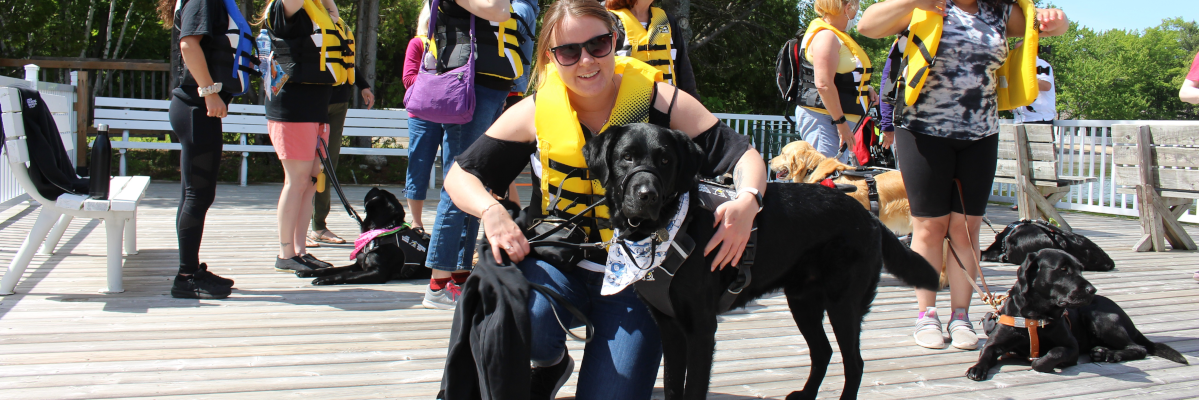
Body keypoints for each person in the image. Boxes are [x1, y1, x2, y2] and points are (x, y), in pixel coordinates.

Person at [442, 0, 767, 397]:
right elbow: (460, 176)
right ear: (551, 57)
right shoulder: (534, 112)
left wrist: (749, 201)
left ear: (615, 41)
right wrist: (491, 211)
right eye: (569, 51)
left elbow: (742, 155)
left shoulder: (660, 102)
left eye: (598, 44)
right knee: (519, 316)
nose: (586, 61)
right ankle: (550, 363)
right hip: (561, 264)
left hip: (644, 278)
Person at [859, 0, 1067, 350]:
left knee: (966, 229)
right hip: (921, 131)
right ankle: (927, 315)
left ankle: (961, 316)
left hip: (980, 134)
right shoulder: (926, 5)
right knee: (929, 226)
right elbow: (867, 26)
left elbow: (1049, 28)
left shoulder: (999, 11)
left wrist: (1056, 19)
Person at [422, 0, 529, 310]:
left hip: (493, 84)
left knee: (478, 181)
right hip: (469, 85)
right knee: (460, 178)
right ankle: (438, 283)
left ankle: (459, 274)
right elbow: (498, 10)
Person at [157, 0, 250, 299]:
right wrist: (210, 93)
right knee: (199, 195)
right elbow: (189, 45)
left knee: (192, 194)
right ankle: (185, 277)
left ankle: (190, 269)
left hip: (194, 108)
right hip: (196, 107)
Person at [260, 0, 344, 273]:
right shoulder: (285, 8)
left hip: (316, 106)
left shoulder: (317, 9)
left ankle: (300, 250)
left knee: (310, 181)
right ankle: (285, 253)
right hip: (292, 107)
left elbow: (334, 20)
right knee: (296, 181)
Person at [794, 0, 877, 163]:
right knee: (824, 177)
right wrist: (841, 124)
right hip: (825, 120)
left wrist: (865, 88)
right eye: (857, 9)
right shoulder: (826, 36)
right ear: (847, 8)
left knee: (833, 176)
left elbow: (839, 75)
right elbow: (823, 84)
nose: (856, 15)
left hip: (833, 120)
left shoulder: (834, 34)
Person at [308, 65, 375, 247]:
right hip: (313, 98)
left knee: (327, 165)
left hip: (339, 101)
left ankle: (319, 226)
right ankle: (296, 231)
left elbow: (348, 60)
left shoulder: (344, 34)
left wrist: (363, 86)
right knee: (304, 166)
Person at [606, 0, 698, 98]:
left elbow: (684, 71)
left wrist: (694, 105)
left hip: (667, 105)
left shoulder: (668, 21)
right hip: (627, 106)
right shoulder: (610, 22)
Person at [1013, 45, 1056, 125]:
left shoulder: (1041, 64)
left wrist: (1022, 78)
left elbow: (1046, 86)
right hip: (1020, 119)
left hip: (1038, 118)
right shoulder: (1016, 67)